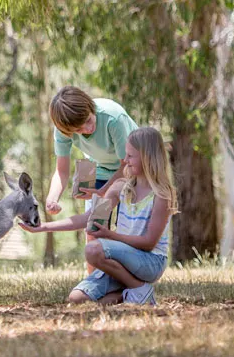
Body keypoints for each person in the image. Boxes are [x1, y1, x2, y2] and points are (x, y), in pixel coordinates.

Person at [21, 126, 177, 306]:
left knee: (93, 249)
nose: (125, 161)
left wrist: (111, 236)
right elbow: (88, 217)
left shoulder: (161, 196)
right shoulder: (120, 186)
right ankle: (129, 293)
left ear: (147, 156)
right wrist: (43, 228)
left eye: (130, 156)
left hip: (150, 262)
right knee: (76, 299)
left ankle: (138, 288)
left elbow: (149, 242)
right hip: (122, 260)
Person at [44, 87, 138, 216]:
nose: (88, 129)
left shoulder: (113, 118)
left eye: (88, 120)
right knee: (94, 225)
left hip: (133, 169)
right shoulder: (63, 130)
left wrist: (103, 192)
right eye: (78, 130)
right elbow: (62, 171)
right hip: (101, 168)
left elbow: (127, 166)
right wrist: (52, 198)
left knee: (126, 226)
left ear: (90, 106)